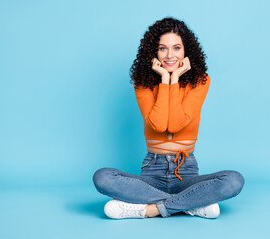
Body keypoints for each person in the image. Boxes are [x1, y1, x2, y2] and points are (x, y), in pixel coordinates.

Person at [93, 17, 245, 219]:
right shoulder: (143, 82)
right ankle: (190, 203)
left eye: (176, 48)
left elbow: (175, 123)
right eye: (163, 48)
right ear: (154, 52)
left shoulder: (201, 80)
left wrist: (175, 79)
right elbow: (159, 124)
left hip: (187, 172)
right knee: (102, 177)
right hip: (151, 173)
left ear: (186, 51)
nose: (170, 55)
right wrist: (166, 79)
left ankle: (149, 209)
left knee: (234, 180)